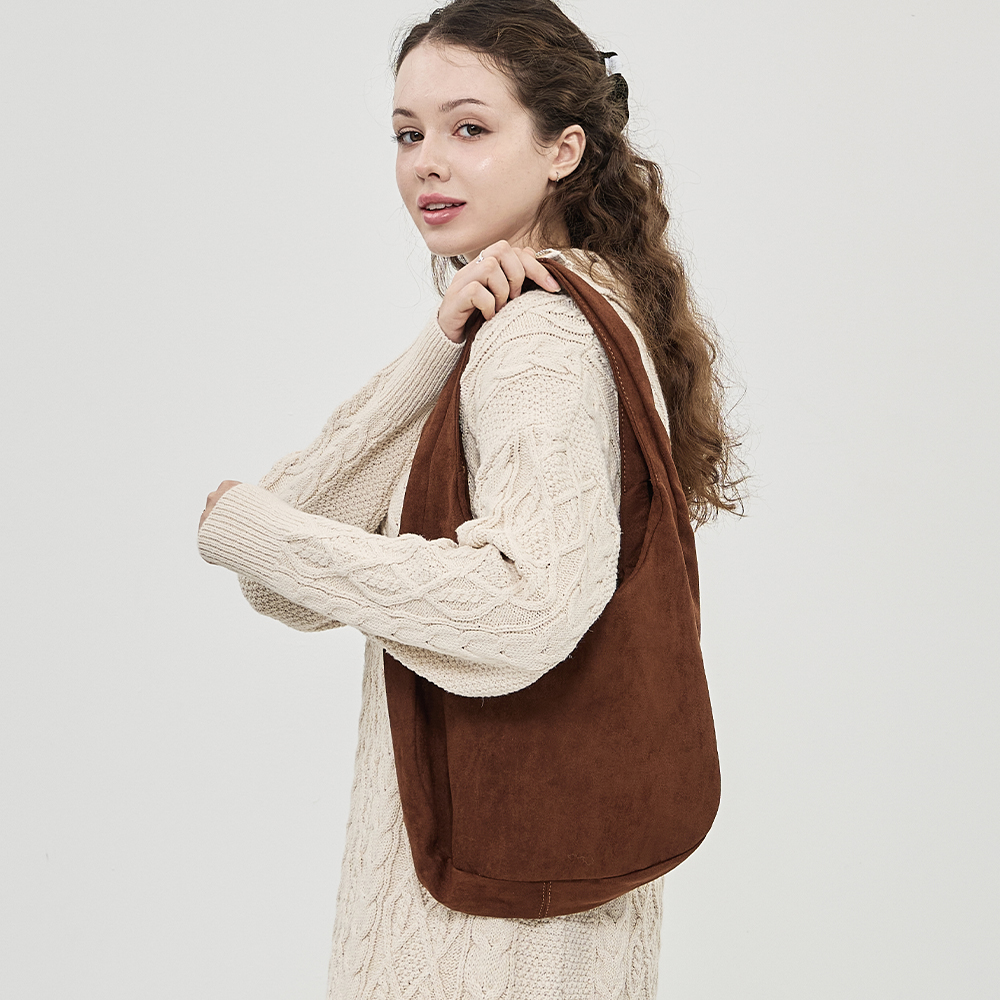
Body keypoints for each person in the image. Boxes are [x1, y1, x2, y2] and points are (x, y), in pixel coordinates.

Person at [197, 0, 743, 996]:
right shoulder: (556, 312)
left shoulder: (539, 338)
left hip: (480, 947)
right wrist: (433, 353)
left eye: (470, 128)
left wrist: (248, 527)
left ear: (563, 149)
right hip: (532, 922)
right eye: (408, 134)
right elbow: (282, 584)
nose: (428, 163)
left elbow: (529, 601)